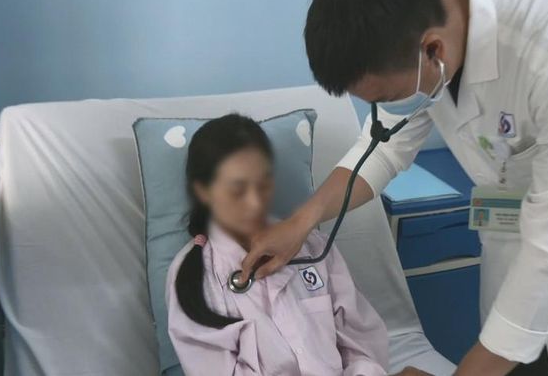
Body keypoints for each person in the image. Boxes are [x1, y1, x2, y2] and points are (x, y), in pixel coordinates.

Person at [240, 0, 548, 376]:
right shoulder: (412, 33)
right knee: (512, 351)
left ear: (434, 51)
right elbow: (383, 148)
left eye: (386, 98)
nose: (384, 110)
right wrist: (302, 220)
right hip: (517, 221)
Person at [165, 114, 430, 376]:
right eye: (237, 190)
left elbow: (362, 345)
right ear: (203, 191)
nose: (255, 202)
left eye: (263, 184)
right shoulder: (194, 277)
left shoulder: (313, 247)